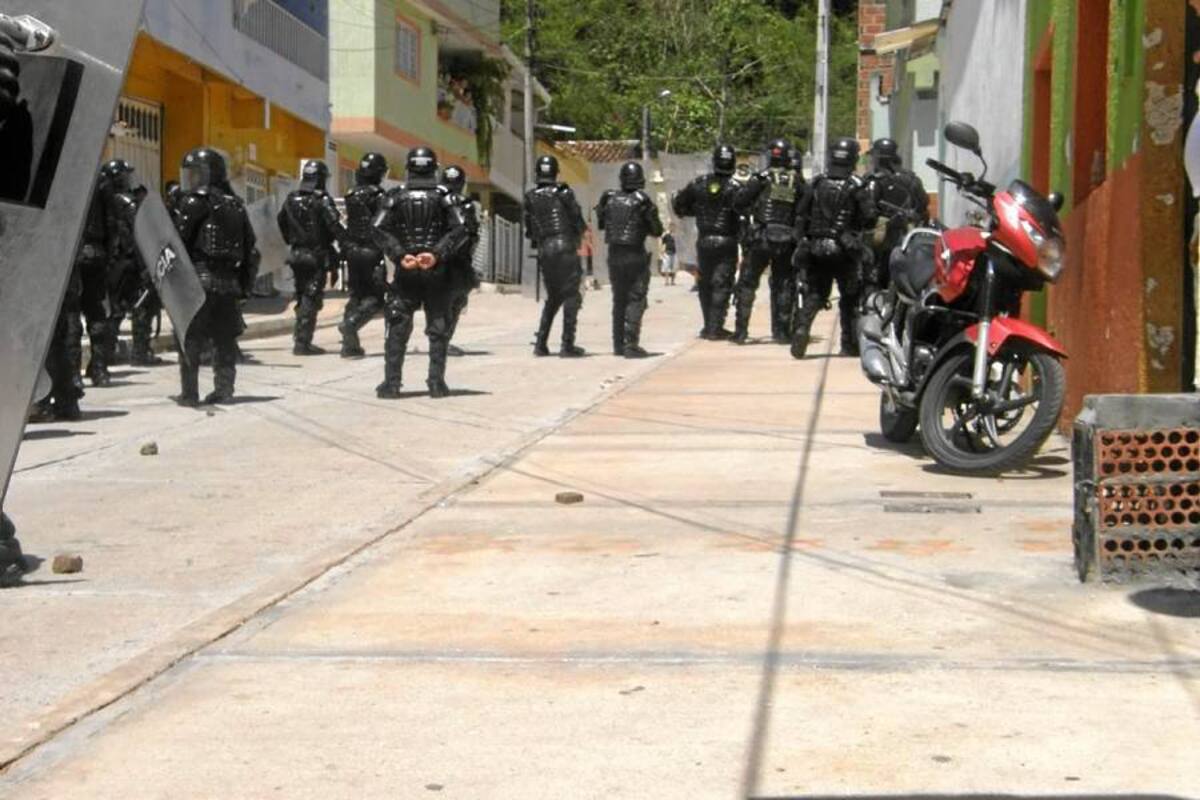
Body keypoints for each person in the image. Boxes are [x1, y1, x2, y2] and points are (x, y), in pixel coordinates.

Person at [371, 146, 470, 399]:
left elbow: (377, 228)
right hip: (436, 271)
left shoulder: (396, 195)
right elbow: (461, 229)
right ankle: (436, 384)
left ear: (409, 167)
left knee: (398, 326)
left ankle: (392, 384)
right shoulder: (445, 196)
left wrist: (400, 254)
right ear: (434, 168)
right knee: (438, 328)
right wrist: (436, 254)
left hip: (407, 271)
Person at [173, 147, 260, 405]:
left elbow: (179, 243)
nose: (192, 179)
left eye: (196, 173)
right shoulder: (237, 205)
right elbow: (251, 250)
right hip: (229, 284)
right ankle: (224, 389)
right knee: (224, 339)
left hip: (198, 281)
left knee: (190, 337)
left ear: (210, 173)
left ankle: (190, 393)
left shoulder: (193, 202)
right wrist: (245, 286)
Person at [791, 136, 876, 359]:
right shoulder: (857, 185)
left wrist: (803, 241)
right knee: (849, 298)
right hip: (845, 250)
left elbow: (801, 214)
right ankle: (849, 344)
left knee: (815, 294)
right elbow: (870, 218)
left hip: (816, 247)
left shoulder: (816, 183)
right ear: (852, 159)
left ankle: (802, 329)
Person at [732, 137, 805, 345]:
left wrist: (751, 212)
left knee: (747, 284)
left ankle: (741, 331)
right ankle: (781, 333)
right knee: (784, 285)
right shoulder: (798, 182)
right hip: (786, 240)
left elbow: (739, 202)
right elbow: (804, 210)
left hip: (761, 237)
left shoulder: (761, 178)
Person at [671, 144, 746, 339]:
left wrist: (697, 211)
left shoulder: (698, 184)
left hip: (704, 240)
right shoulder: (737, 187)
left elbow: (678, 205)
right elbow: (747, 211)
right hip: (727, 241)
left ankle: (709, 326)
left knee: (705, 283)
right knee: (722, 283)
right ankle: (715, 327)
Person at [596, 161, 664, 358]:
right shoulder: (643, 200)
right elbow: (657, 230)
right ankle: (631, 344)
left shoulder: (608, 198)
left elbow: (602, 224)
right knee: (636, 299)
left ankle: (618, 344)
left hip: (615, 255)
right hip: (635, 253)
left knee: (619, 300)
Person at [523, 155, 587, 357]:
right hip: (565, 245)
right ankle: (567, 344)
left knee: (553, 297)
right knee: (571, 296)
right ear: (556, 172)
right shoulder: (564, 192)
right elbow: (578, 220)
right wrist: (577, 235)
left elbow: (530, 230)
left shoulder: (530, 197)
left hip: (545, 249)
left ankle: (541, 343)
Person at [278, 159, 344, 356]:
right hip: (316, 255)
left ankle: (300, 338)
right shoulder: (322, 200)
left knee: (302, 296)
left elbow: (281, 222)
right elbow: (334, 225)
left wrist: (291, 240)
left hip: (296, 254)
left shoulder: (291, 199)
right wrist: (346, 243)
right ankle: (302, 343)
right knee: (311, 298)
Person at [338, 152, 389, 358]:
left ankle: (349, 346)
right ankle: (350, 325)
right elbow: (383, 224)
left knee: (356, 297)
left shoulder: (351, 194)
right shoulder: (379, 196)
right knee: (375, 300)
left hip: (352, 251)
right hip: (372, 251)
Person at [864, 137, 929, 292]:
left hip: (880, 236)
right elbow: (922, 204)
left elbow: (867, 210)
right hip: (906, 234)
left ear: (879, 158)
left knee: (873, 275)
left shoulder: (873, 180)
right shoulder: (912, 179)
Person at [440, 164, 480, 354]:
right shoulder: (466, 204)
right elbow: (471, 234)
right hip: (458, 261)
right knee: (456, 301)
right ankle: (443, 341)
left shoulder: (435, 200)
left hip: (434, 259)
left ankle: (438, 339)